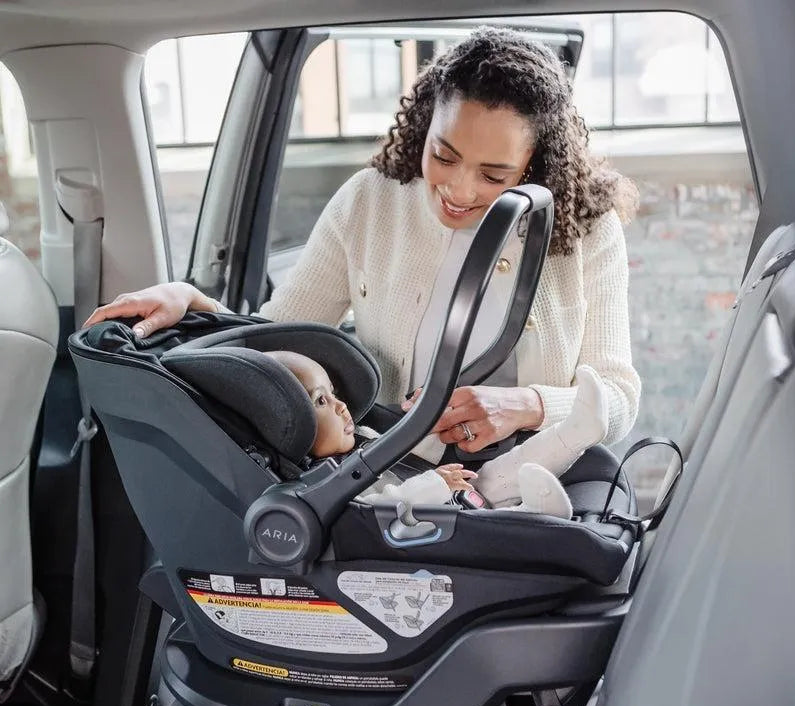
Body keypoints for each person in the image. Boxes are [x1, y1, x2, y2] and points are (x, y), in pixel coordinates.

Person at [84, 27, 640, 456]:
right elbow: (281, 343)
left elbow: (618, 398)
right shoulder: (370, 201)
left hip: (535, 478)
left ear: (533, 165)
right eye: (443, 155)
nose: (460, 189)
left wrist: (526, 406)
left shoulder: (586, 230)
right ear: (425, 126)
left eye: (494, 175)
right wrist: (195, 304)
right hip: (394, 469)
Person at [266, 350, 608, 519]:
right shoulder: (318, 487)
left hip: (460, 492)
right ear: (288, 425)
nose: (342, 406)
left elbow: (411, 453)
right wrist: (436, 484)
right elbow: (374, 512)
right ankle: (537, 515)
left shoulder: (365, 436)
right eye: (322, 401)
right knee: (492, 520)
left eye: (335, 392)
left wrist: (429, 422)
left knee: (499, 471)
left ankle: (576, 433)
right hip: (439, 526)